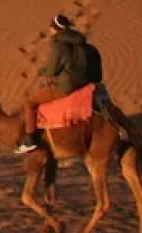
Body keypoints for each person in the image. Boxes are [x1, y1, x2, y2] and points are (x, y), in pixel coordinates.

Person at [17, 14, 97, 154]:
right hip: (80, 82)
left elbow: (53, 69)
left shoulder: (59, 44)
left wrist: (43, 71)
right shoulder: (76, 41)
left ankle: (30, 140)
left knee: (30, 102)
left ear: (53, 29)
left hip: (65, 86)